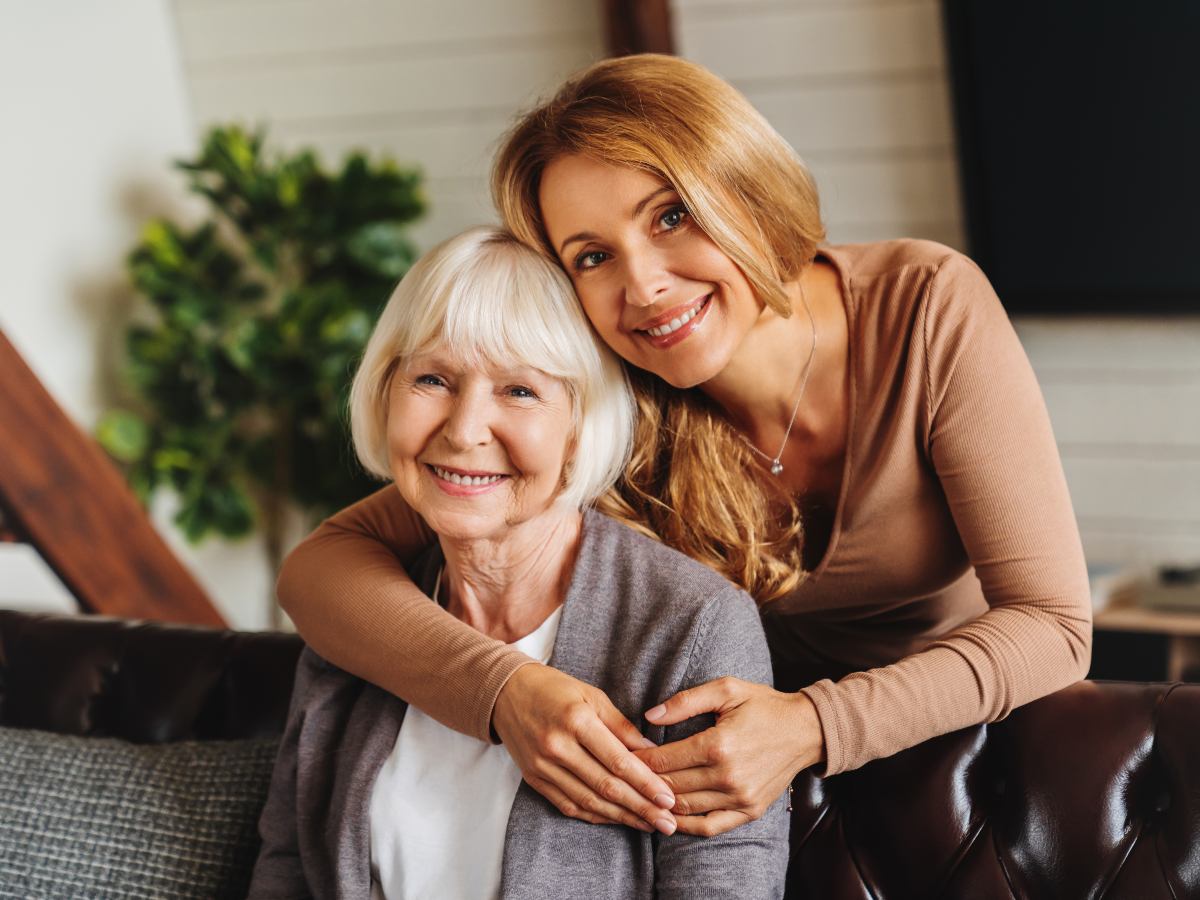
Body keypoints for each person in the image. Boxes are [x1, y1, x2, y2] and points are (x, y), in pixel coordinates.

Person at [274, 54, 1093, 839]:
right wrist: (502, 693)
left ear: (744, 190)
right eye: (592, 256)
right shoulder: (611, 391)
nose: (643, 285)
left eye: (672, 215)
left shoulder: (925, 307)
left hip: (959, 759)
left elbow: (1054, 625)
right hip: (717, 794)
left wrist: (810, 726)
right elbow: (320, 569)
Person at [248, 226, 789, 899]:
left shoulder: (692, 625)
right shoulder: (361, 615)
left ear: (580, 426)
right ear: (384, 390)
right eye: (432, 379)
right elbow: (289, 865)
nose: (465, 428)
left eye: (520, 391)